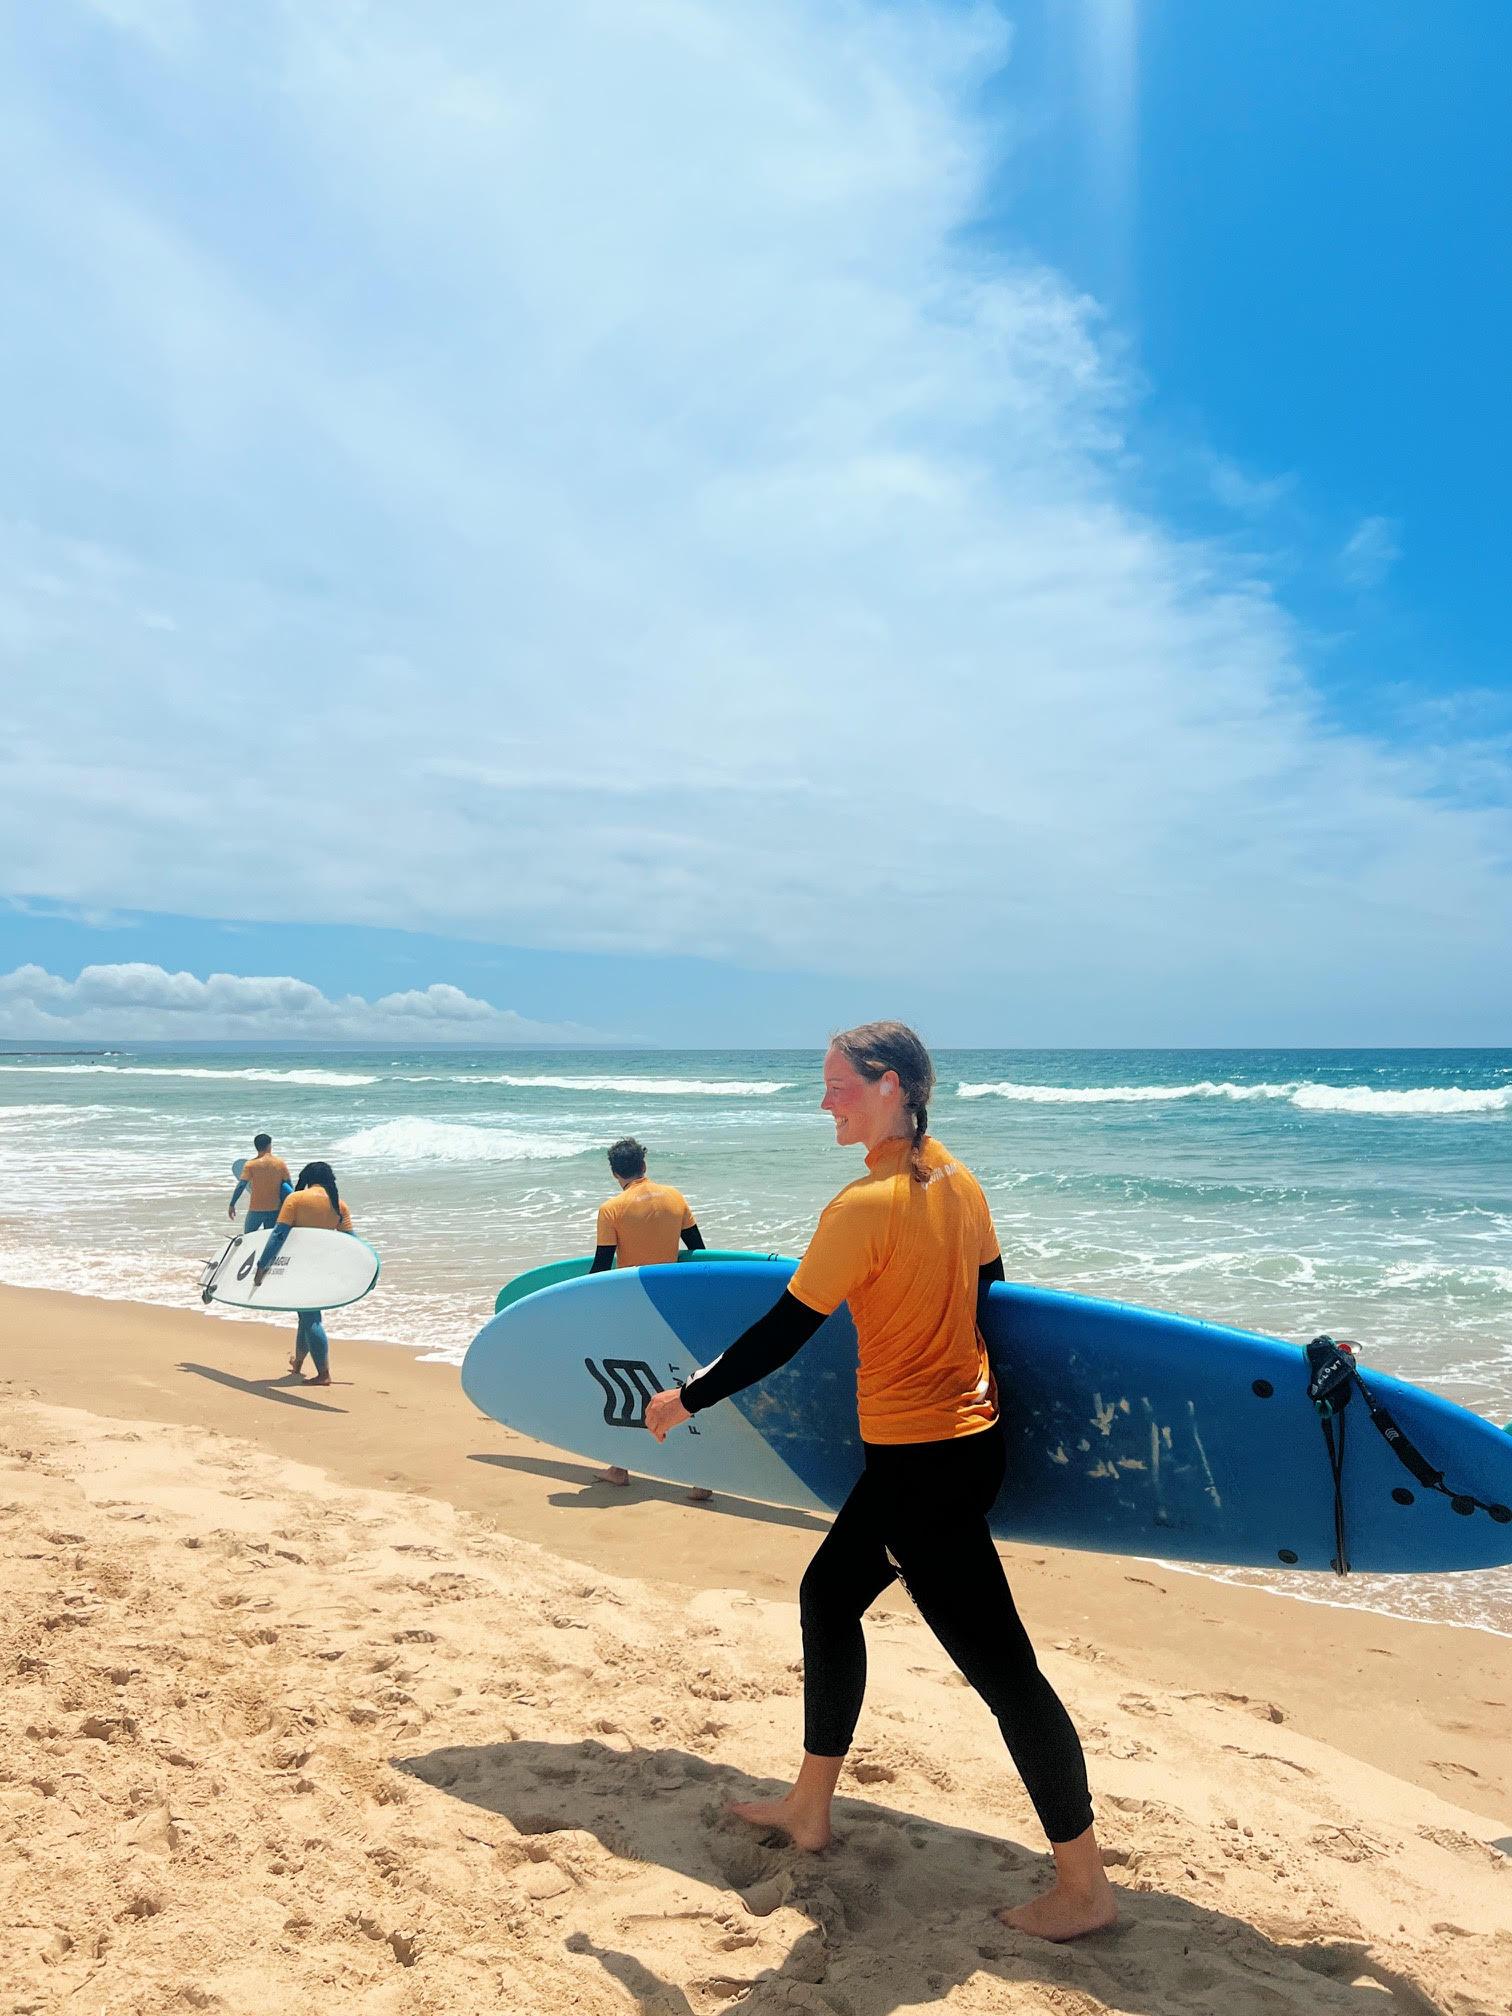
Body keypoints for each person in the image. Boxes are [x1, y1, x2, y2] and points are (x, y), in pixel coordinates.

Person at [645, 1022, 1114, 1942]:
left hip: (920, 1471)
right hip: (962, 1447)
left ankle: (1085, 1885)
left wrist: (686, 1397)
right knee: (827, 1596)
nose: (824, 1100)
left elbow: (784, 1331)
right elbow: (994, 1294)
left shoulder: (860, 1210)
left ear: (890, 1084)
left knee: (1007, 1676)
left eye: (837, 1085)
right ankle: (809, 1809)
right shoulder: (959, 1179)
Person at [590, 1138, 710, 1500]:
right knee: (681, 1384)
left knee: (628, 1386)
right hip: (674, 1306)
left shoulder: (612, 1209)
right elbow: (700, 1253)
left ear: (615, 1172)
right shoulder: (675, 1197)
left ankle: (620, 1467)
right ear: (644, 1165)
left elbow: (600, 1268)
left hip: (634, 1308)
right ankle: (702, 1478)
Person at [253, 1161, 353, 1388]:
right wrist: (371, 1268)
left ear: (306, 1177)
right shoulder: (339, 1204)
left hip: (300, 1268)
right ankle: (298, 1362)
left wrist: (262, 1266)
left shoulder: (296, 1199)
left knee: (311, 1318)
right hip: (325, 1268)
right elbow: (353, 1242)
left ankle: (324, 1373)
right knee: (306, 1315)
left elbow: (278, 1235)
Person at [229, 1132, 291, 1232]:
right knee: (267, 1239)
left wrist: (232, 1204)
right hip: (274, 1210)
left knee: (248, 1237)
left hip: (255, 1210)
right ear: (269, 1146)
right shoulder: (280, 1164)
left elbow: (241, 1185)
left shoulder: (251, 1165)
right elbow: (288, 1186)